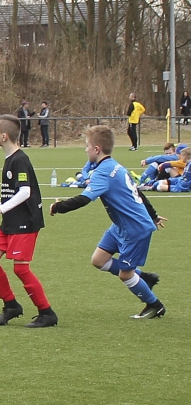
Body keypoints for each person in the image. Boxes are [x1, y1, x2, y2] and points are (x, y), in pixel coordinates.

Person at [50, 125, 167, 319]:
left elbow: (84, 199)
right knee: (98, 260)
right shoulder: (115, 166)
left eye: (87, 146)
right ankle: (144, 278)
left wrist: (58, 207)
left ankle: (155, 305)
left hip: (134, 228)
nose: (85, 149)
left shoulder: (103, 172)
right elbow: (138, 193)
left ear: (96, 149)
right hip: (121, 225)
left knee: (125, 274)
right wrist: (153, 215)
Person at [0, 114, 57, 328]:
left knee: (21, 269)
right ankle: (11, 306)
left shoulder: (20, 160)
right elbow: (12, 192)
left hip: (25, 222)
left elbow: (25, 192)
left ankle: (47, 312)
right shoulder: (10, 159)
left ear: (4, 136)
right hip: (11, 221)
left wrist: (0, 208)